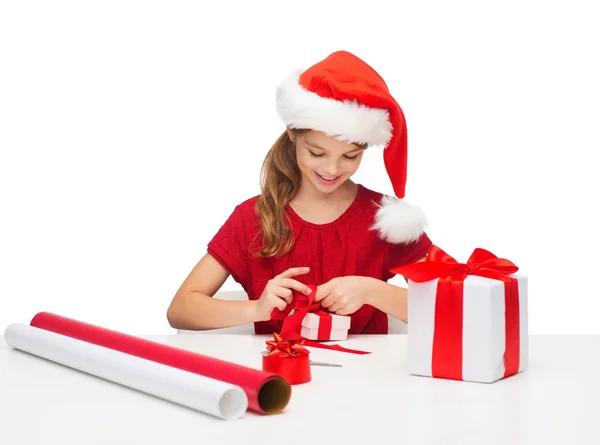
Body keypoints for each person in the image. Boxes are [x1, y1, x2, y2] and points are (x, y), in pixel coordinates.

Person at [167, 50, 433, 335]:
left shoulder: (386, 219)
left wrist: (371, 291)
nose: (332, 169)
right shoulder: (253, 218)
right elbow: (181, 309)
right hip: (277, 377)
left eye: (350, 156)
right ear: (293, 135)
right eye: (317, 152)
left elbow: (457, 308)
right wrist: (256, 308)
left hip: (367, 376)